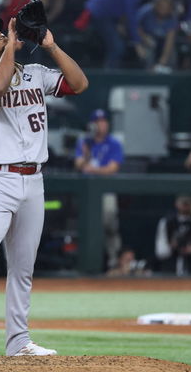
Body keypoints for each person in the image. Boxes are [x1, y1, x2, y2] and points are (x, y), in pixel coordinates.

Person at [0, 11, 87, 357]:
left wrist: (51, 46)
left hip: (33, 180)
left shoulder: (34, 73)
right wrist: (13, 44)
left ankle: (19, 341)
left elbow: (78, 83)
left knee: (23, 266)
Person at [74, 109, 124, 268]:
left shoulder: (114, 143)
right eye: (98, 122)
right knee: (83, 225)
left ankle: (112, 261)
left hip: (105, 190)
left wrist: (92, 169)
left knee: (109, 224)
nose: (101, 125)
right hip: (86, 191)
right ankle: (82, 261)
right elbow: (79, 164)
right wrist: (87, 155)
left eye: (103, 121)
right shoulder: (84, 141)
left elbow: (112, 168)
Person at [80, 0, 162, 68]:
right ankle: (109, 77)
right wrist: (137, 43)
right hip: (100, 14)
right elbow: (131, 17)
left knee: (119, 43)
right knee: (117, 47)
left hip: (107, 16)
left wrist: (141, 37)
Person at [155, 195, 191, 275]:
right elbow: (160, 251)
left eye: (188, 203)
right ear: (176, 203)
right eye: (183, 203)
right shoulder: (166, 222)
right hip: (171, 268)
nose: (185, 205)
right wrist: (172, 246)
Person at [136, 0, 179, 71]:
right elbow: (135, 26)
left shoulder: (172, 17)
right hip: (146, 38)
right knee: (147, 54)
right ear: (156, 5)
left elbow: (170, 39)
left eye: (166, 8)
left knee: (172, 55)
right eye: (161, 7)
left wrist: (163, 60)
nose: (163, 10)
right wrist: (143, 40)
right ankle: (148, 75)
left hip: (163, 40)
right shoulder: (146, 11)